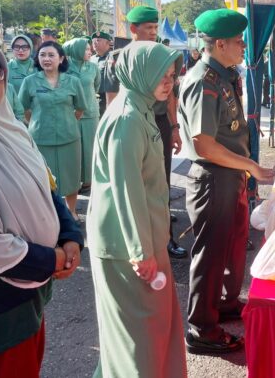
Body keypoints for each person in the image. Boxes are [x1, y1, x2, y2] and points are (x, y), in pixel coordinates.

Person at [0, 34, 83, 378]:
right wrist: (53, 259)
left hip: (31, 296)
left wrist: (70, 236)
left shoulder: (13, 130)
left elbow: (46, 186)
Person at [179, 9, 275, 354]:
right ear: (219, 44)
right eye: (238, 42)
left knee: (231, 245)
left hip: (229, 174)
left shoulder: (224, 74)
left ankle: (221, 303)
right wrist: (250, 164)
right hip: (213, 177)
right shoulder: (203, 81)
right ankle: (202, 327)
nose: (243, 48)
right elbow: (204, 143)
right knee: (210, 253)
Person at [87, 41, 187, 378]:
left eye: (172, 75)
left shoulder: (141, 107)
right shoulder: (127, 119)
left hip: (144, 237)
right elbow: (125, 190)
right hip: (127, 245)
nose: (168, 82)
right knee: (138, 340)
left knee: (146, 334)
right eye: (161, 74)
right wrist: (141, 252)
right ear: (139, 73)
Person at [104, 5, 187, 258]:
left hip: (159, 122)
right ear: (133, 29)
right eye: (148, 28)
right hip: (134, 121)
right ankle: (137, 243)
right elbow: (112, 98)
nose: (153, 32)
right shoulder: (119, 58)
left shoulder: (161, 53)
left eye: (155, 28)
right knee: (133, 183)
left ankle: (165, 238)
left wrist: (174, 128)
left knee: (161, 179)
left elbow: (171, 95)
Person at [18, 41, 87, 219]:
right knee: (43, 178)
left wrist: (68, 122)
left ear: (61, 58)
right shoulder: (30, 81)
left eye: (51, 55)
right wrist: (35, 123)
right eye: (42, 55)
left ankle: (71, 211)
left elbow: (80, 108)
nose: (46, 59)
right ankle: (49, 215)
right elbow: (23, 108)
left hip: (70, 137)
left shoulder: (73, 81)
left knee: (71, 176)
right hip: (41, 138)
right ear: (37, 58)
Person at [63, 38, 100, 193]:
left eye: (89, 49)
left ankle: (88, 180)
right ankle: (73, 179)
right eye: (85, 49)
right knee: (73, 149)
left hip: (90, 112)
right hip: (70, 113)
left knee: (90, 148)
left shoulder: (93, 67)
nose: (89, 51)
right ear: (76, 50)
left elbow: (96, 86)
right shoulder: (64, 68)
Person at [90, 30, 113, 116]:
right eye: (93, 41)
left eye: (98, 40)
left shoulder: (113, 57)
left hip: (107, 98)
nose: (95, 43)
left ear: (107, 43)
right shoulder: (91, 59)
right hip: (93, 98)